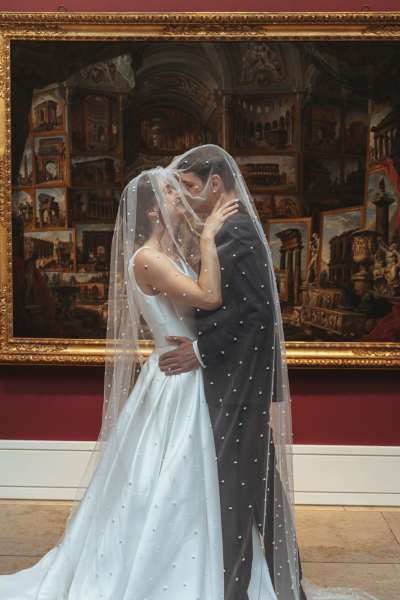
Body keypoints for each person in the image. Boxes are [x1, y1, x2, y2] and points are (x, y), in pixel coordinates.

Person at [0, 146, 381, 600]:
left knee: (205, 480)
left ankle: (232, 577)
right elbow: (209, 299)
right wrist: (206, 242)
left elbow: (236, 311)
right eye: (172, 192)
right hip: (177, 378)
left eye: (185, 188)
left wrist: (201, 337)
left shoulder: (187, 247)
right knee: (173, 481)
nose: (181, 197)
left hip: (195, 374)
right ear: (153, 211)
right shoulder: (150, 258)